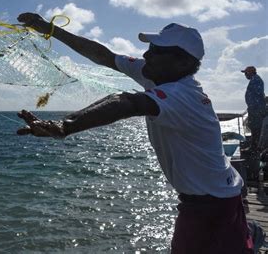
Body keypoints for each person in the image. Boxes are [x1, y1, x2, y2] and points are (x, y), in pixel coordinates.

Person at [16, 13, 253, 253]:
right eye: (149, 48)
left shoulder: (183, 95)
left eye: (157, 51)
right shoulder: (155, 72)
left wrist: (65, 126)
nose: (147, 55)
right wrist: (50, 29)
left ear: (183, 63)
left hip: (212, 206)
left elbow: (127, 102)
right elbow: (105, 56)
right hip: (218, 193)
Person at [242, 66, 266, 150]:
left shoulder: (256, 80)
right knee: (254, 128)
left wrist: (254, 106)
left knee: (256, 128)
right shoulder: (254, 80)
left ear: (250, 72)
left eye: (246, 73)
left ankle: (255, 148)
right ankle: (255, 147)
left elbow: (258, 94)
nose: (245, 75)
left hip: (256, 110)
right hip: (254, 109)